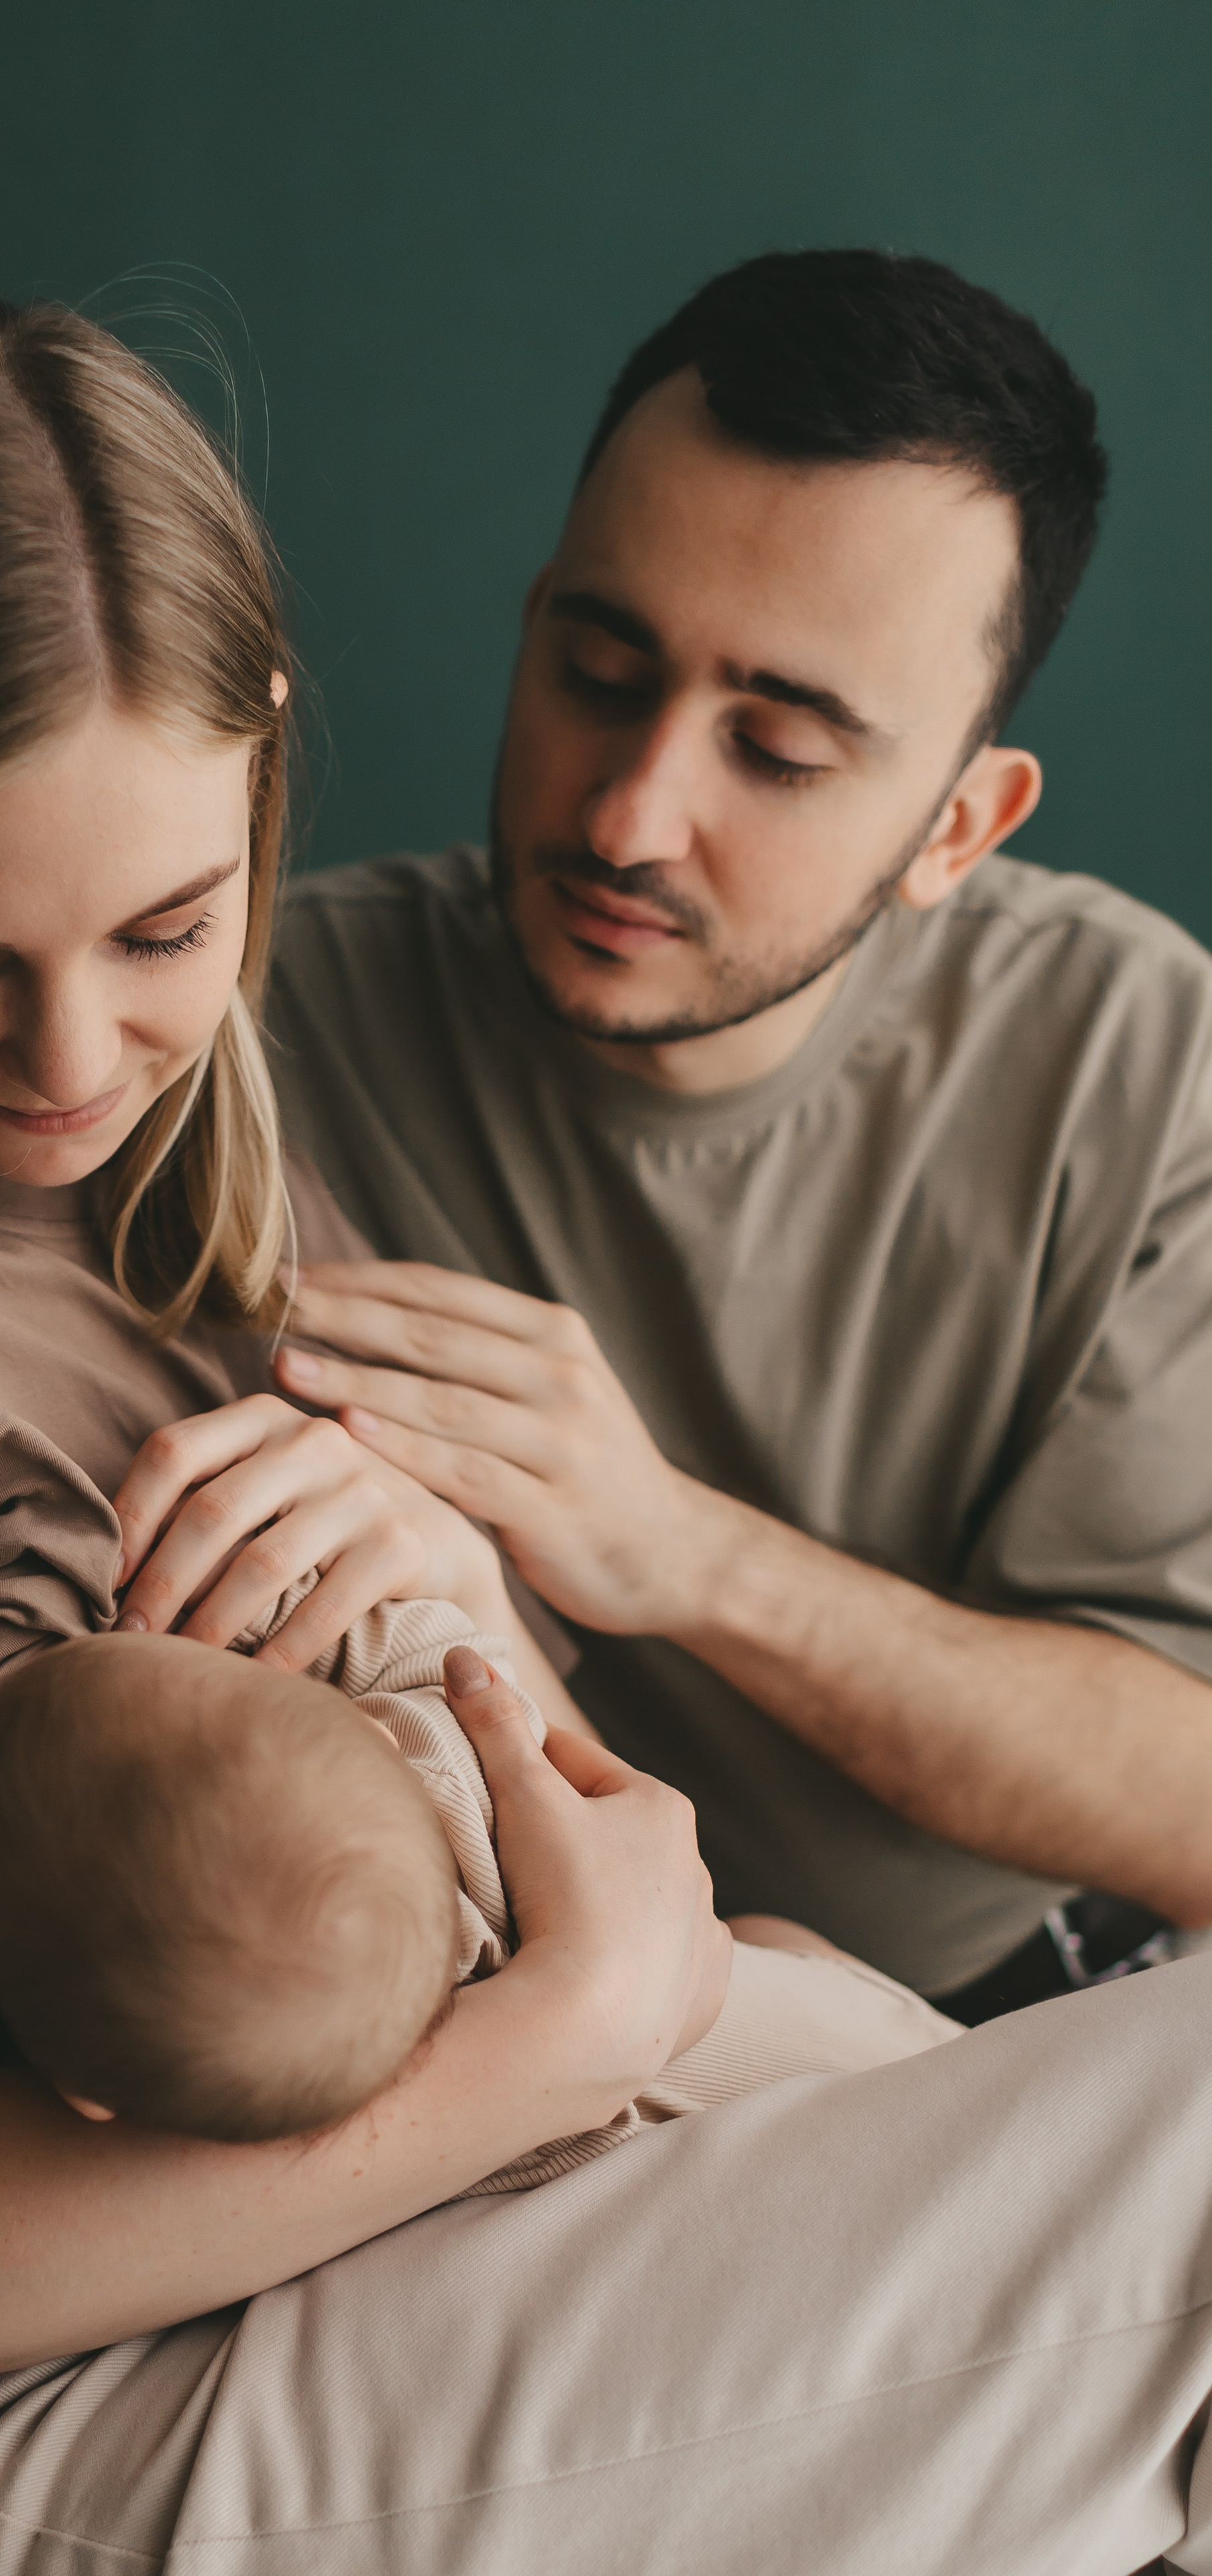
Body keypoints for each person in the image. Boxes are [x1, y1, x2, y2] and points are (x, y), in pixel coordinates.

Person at [0, 293, 1212, 2576]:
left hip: (420, 2237)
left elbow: (520, 1849)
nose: (72, 1056)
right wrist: (580, 2027)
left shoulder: (219, 1195)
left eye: (168, 925)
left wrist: (498, 1625)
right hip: (27, 2418)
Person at [263, 247, 1212, 2021]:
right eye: (600, 671)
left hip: (1022, 2011)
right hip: (471, 2030)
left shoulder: (1144, 1065)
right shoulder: (240, 1027)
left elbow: (1193, 1805)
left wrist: (671, 1548)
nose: (630, 815)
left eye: (776, 748)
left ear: (959, 826)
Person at [0, 1617, 956, 2172]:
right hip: (867, 2046)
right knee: (778, 1942)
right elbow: (441, 1648)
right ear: (368, 1731)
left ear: (90, 2099)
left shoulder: (431, 2158)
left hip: (781, 2113)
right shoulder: (434, 1747)